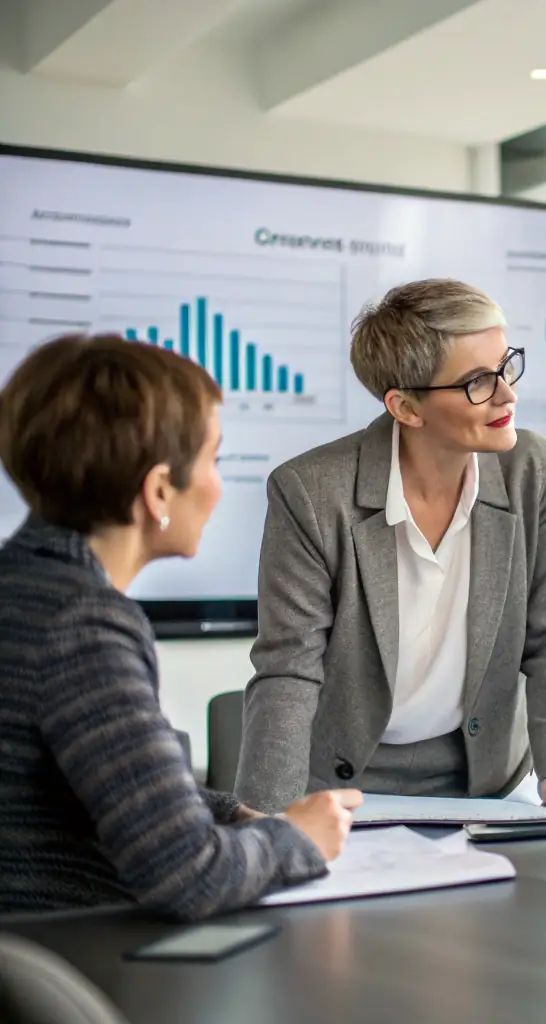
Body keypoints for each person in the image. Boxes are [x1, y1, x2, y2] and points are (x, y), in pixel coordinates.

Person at [0, 335, 360, 920]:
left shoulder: (25, 591)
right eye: (214, 460)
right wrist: (299, 840)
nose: (218, 485)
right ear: (160, 489)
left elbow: (117, 780)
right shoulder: (82, 627)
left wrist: (233, 813)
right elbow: (188, 876)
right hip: (79, 970)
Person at [235, 279, 546, 815]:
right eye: (478, 382)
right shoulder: (311, 492)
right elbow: (290, 669)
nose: (507, 394)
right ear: (405, 407)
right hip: (341, 787)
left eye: (506, 365)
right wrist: (265, 825)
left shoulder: (533, 470)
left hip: (484, 783)